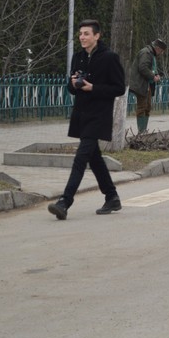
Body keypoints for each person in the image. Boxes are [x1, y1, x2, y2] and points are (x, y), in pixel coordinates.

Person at [47, 19, 126, 220]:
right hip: (81, 114)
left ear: (97, 36)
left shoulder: (109, 58)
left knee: (81, 157)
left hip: (99, 116)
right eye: (80, 33)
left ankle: (65, 201)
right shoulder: (78, 57)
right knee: (95, 159)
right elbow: (70, 87)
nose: (82, 37)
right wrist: (74, 84)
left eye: (87, 34)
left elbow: (118, 88)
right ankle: (112, 197)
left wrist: (94, 88)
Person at [128, 38, 166, 134]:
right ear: (157, 48)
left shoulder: (151, 54)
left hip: (147, 84)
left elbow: (151, 67)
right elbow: (143, 68)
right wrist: (153, 77)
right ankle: (141, 131)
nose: (161, 53)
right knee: (142, 106)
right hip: (141, 84)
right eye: (161, 51)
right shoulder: (146, 53)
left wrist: (156, 74)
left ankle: (144, 129)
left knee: (147, 107)